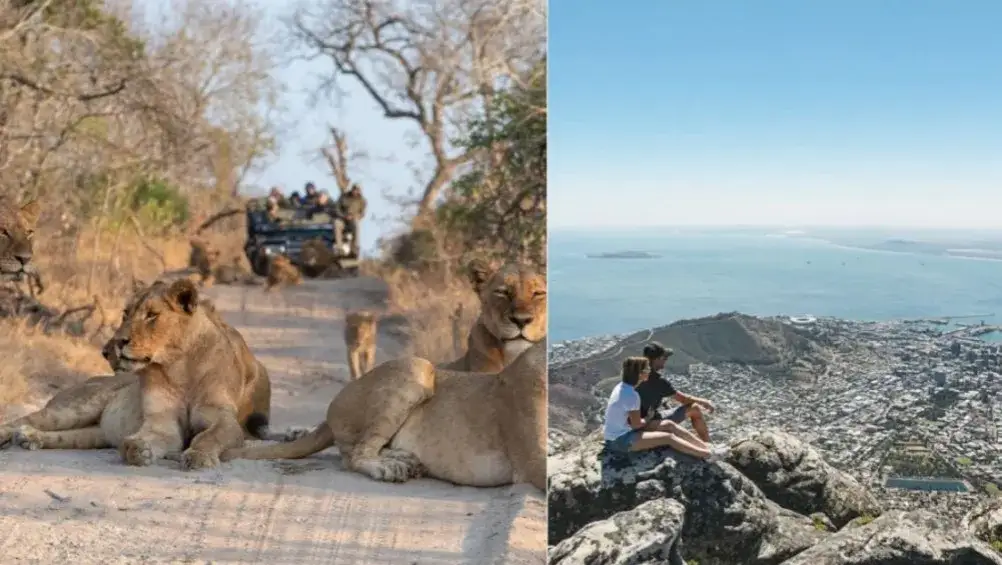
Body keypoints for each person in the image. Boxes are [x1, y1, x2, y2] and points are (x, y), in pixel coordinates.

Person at [603, 356, 729, 460]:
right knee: (668, 438)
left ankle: (706, 447)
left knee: (669, 424)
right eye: (647, 369)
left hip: (621, 432)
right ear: (640, 374)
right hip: (621, 441)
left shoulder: (622, 386)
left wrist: (646, 419)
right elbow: (637, 425)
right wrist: (648, 418)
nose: (649, 371)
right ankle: (709, 455)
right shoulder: (631, 395)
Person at [636, 341, 717, 442]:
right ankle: (707, 443)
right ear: (657, 359)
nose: (666, 360)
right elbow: (683, 399)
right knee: (695, 409)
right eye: (664, 357)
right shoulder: (658, 381)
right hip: (649, 423)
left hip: (637, 422)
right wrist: (705, 402)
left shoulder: (635, 374)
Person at [334, 183, 367, 256]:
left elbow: (362, 213)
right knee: (337, 223)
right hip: (343, 218)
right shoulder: (344, 197)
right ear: (352, 189)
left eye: (358, 190)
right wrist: (344, 216)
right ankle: (339, 247)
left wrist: (356, 217)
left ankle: (355, 248)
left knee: (356, 225)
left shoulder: (362, 200)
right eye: (355, 190)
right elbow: (337, 209)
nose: (356, 192)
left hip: (353, 219)